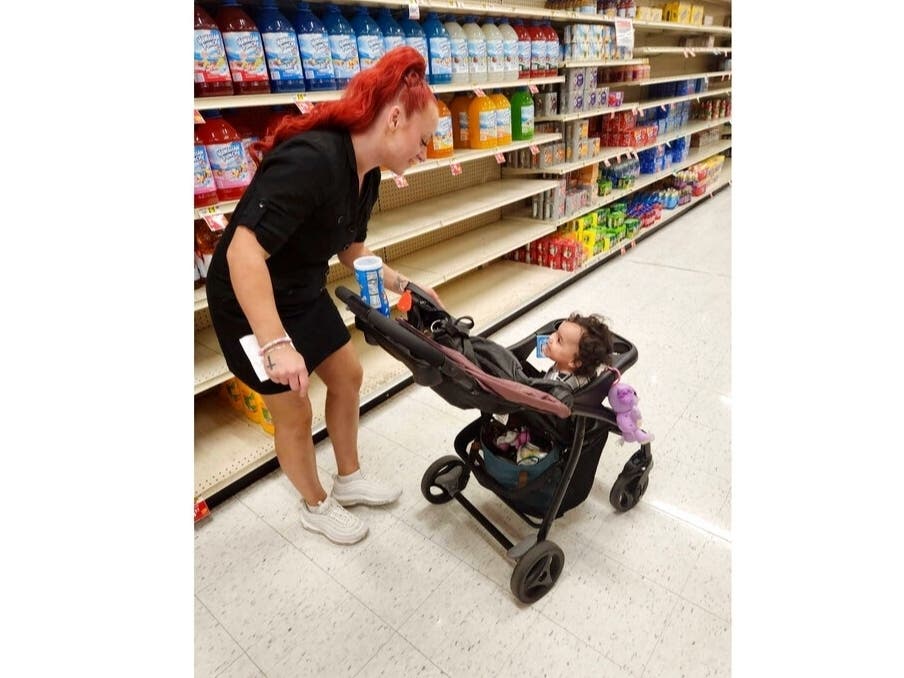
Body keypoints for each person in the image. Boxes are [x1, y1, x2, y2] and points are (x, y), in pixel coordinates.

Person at [205, 47, 443, 545]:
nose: (426, 152)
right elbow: (243, 254)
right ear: (395, 118)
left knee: (348, 375)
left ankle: (349, 477)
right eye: (424, 140)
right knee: (294, 410)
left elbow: (350, 249)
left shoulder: (367, 172)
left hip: (300, 286)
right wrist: (275, 343)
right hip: (250, 300)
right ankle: (315, 504)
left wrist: (404, 284)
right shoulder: (312, 158)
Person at [540, 313, 614, 390]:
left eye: (559, 340)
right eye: (556, 332)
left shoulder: (554, 385)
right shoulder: (591, 365)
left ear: (574, 362)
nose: (551, 337)